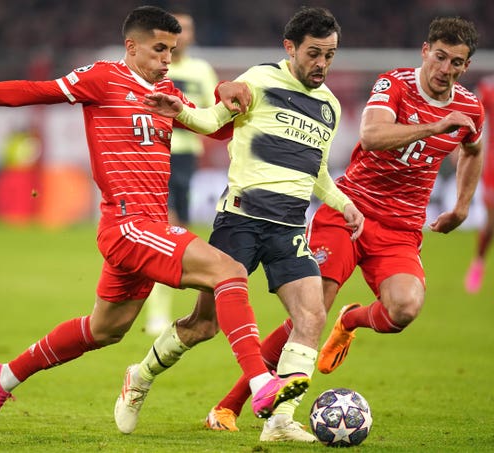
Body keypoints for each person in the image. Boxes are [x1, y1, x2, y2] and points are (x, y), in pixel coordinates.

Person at [0, 5, 299, 430]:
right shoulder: (102, 78)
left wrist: (226, 93)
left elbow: (216, 130)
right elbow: (33, 90)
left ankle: (2, 376)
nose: (167, 59)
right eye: (158, 49)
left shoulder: (168, 90)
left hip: (147, 226)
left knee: (105, 329)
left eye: (171, 50)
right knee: (228, 271)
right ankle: (260, 380)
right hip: (129, 224)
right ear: (131, 47)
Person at [186, 15, 484, 434]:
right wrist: (435, 126)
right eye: (440, 57)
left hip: (401, 228)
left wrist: (464, 205)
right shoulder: (394, 84)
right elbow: (374, 134)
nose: (445, 69)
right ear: (425, 52)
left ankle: (352, 321)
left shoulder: (469, 106)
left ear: (466, 66)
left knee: (404, 309)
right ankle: (230, 405)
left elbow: (472, 148)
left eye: (456, 63)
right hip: (349, 212)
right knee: (310, 313)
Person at [113, 7, 364, 442]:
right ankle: (140, 377)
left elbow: (316, 171)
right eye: (314, 54)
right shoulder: (261, 80)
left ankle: (280, 422)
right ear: (291, 48)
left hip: (288, 228)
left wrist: (344, 203)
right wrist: (181, 110)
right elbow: (212, 120)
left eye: (330, 55)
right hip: (241, 222)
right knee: (203, 325)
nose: (322, 64)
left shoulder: (330, 107)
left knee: (311, 315)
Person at [144, 11, 219, 336]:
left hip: (187, 158)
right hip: (156, 154)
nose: (182, 34)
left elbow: (216, 111)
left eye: (187, 28)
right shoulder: (152, 67)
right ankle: (157, 314)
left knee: (177, 236)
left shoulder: (202, 70)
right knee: (166, 230)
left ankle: (168, 311)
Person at [464, 74, 494, 293]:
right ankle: (479, 262)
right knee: (491, 219)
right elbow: (471, 113)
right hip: (492, 163)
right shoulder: (488, 88)